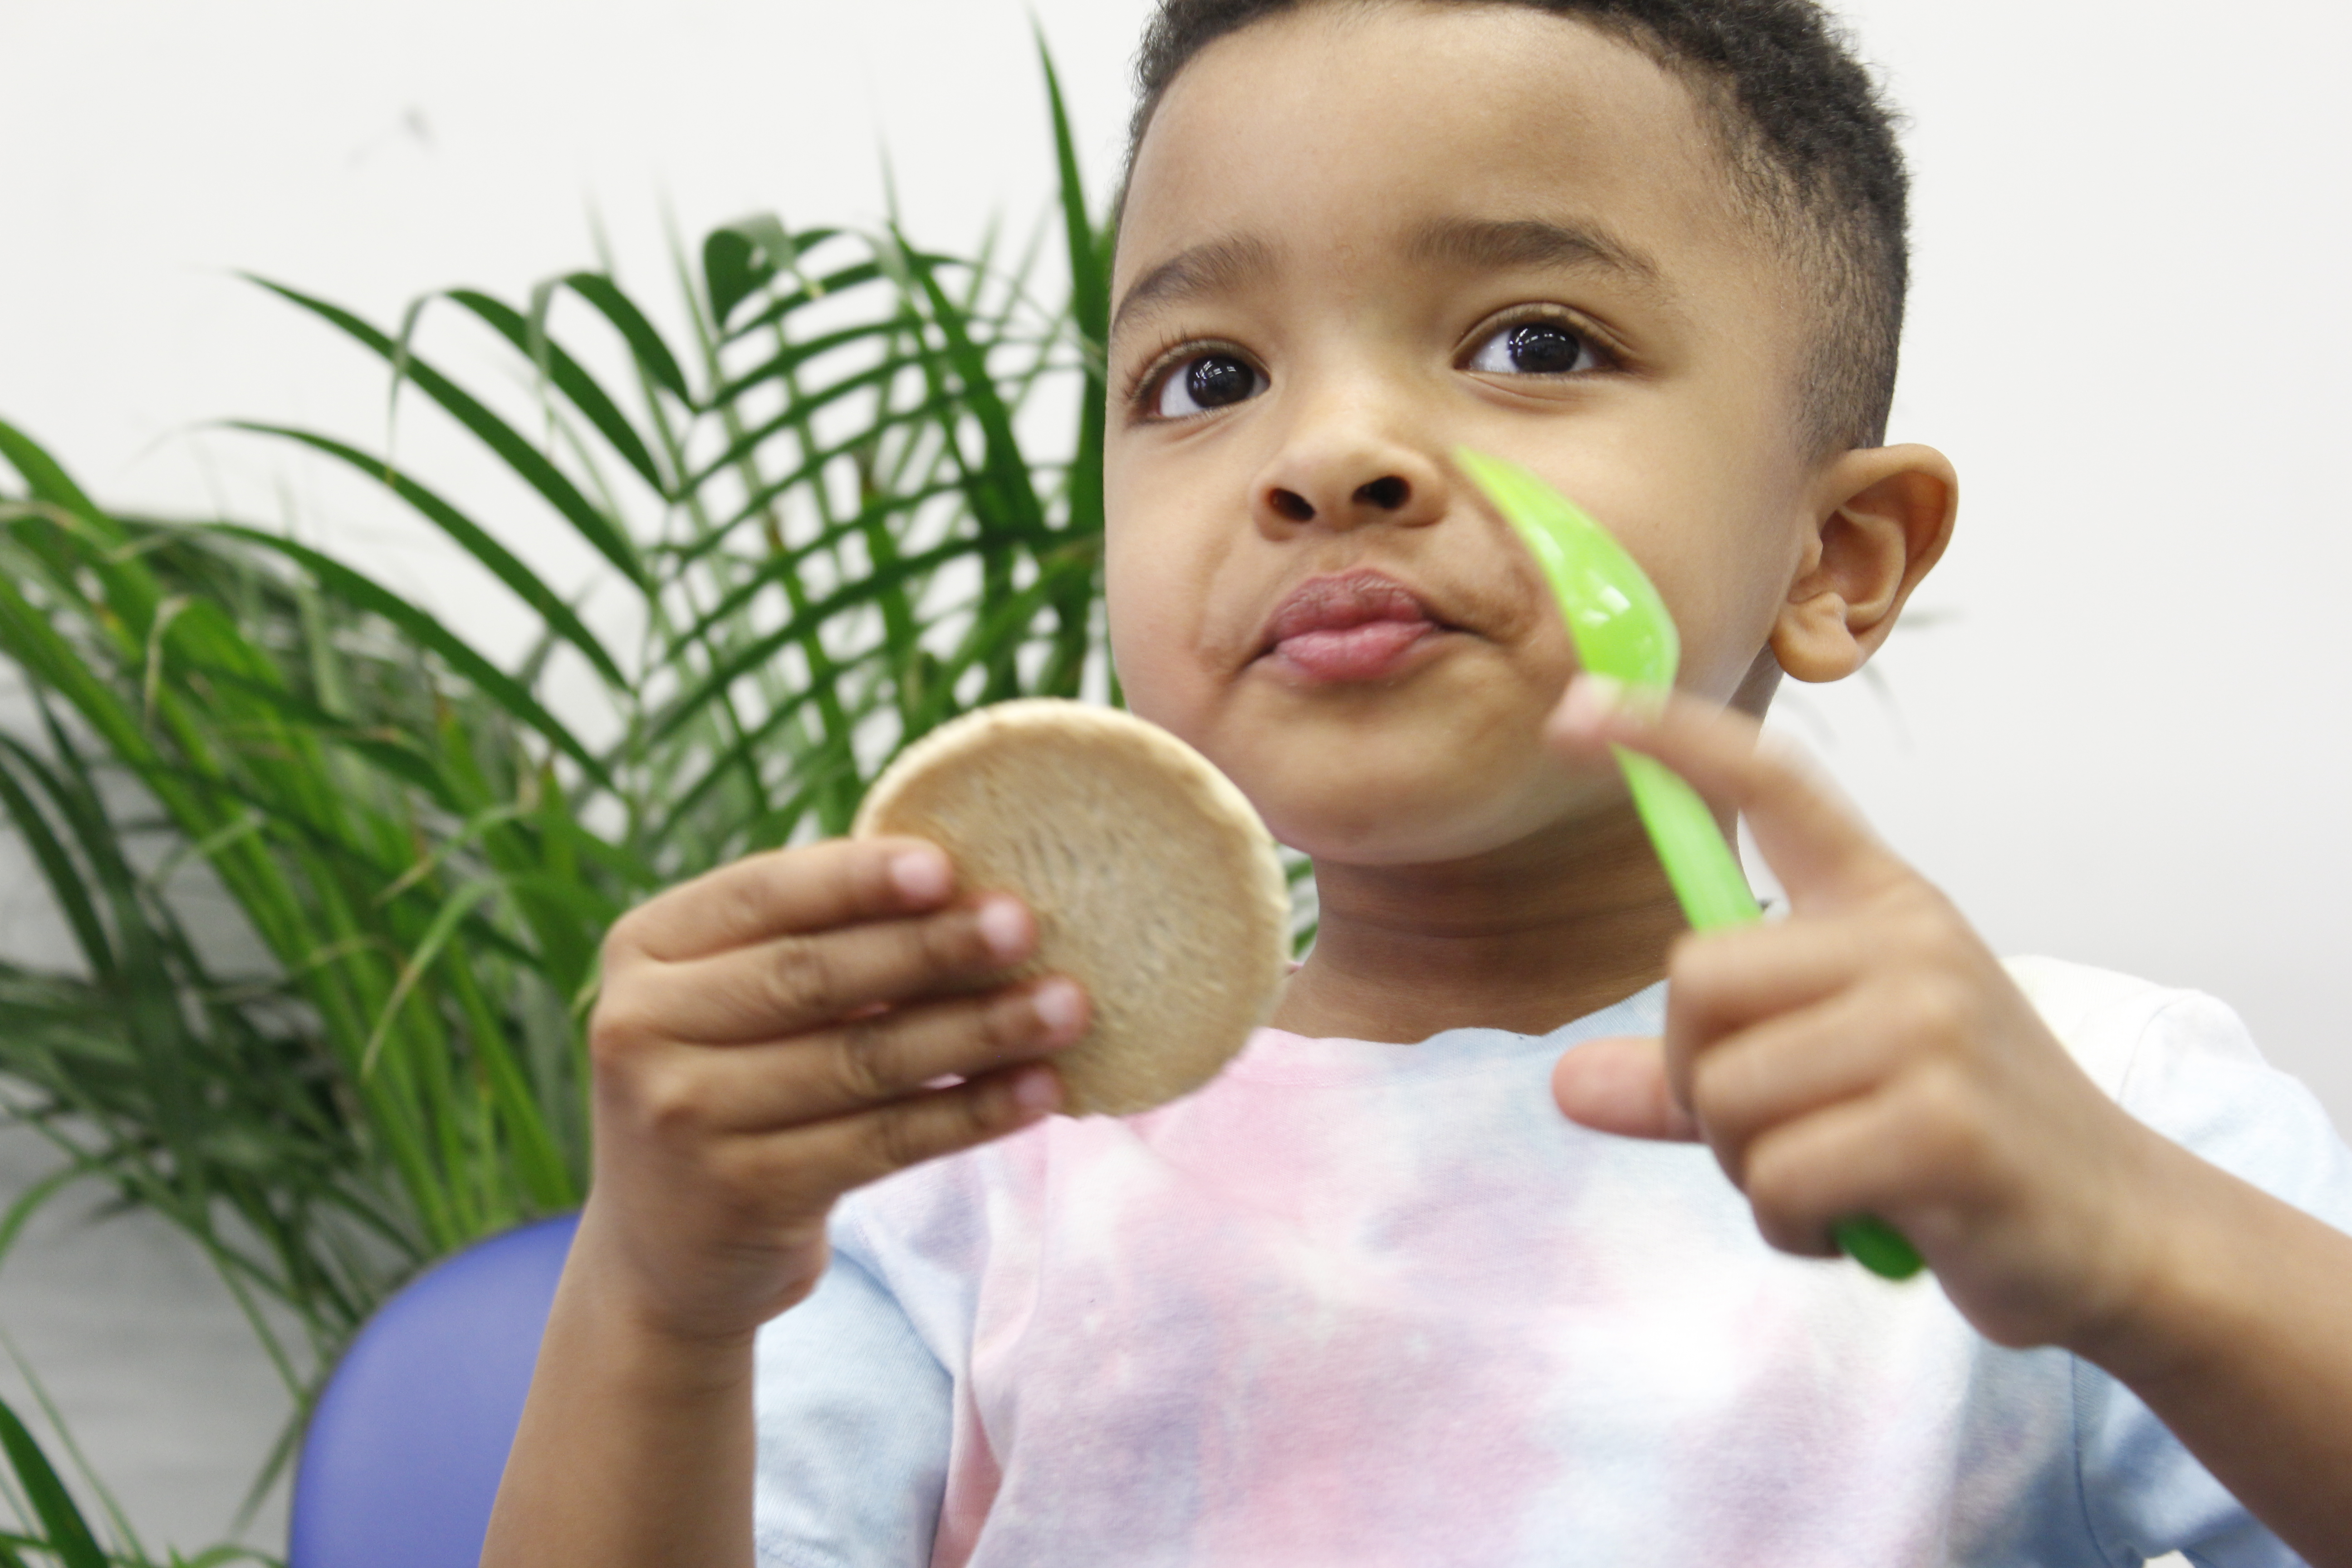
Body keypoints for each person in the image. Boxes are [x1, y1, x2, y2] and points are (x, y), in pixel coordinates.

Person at [482, 2, 2352, 1563]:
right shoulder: (970, 1172)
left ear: (1837, 558)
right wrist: (660, 1304)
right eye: (1207, 376)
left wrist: (2134, 1238)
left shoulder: (2078, 1114)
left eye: (1532, 344)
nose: (1332, 451)